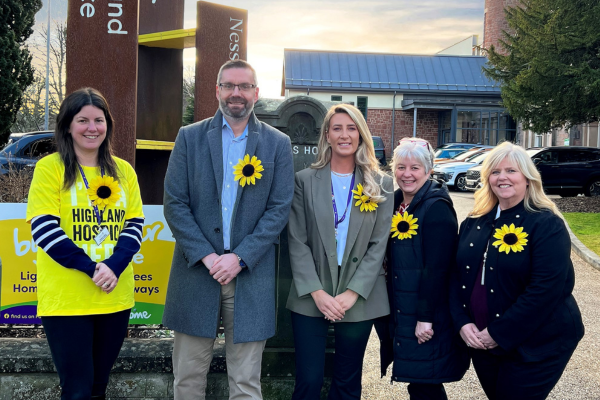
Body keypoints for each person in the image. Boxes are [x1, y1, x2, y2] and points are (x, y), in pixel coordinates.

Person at [162, 59, 294, 400]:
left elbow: (279, 209)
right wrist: (207, 256)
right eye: (229, 85)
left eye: (244, 86)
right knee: (188, 380)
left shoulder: (277, 144)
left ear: (256, 93)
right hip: (196, 273)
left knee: (246, 384)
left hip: (250, 276)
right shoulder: (189, 138)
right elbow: (175, 203)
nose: (237, 93)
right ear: (217, 90)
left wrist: (240, 257)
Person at [26, 88, 144, 400]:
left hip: (114, 297)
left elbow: (134, 226)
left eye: (99, 120)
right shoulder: (50, 168)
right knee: (76, 390)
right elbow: (44, 229)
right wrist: (93, 269)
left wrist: (114, 267)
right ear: (67, 125)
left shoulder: (124, 172)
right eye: (82, 120)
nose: (92, 128)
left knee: (97, 389)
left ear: (108, 125)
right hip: (67, 300)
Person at [449, 142, 584, 400]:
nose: (503, 177)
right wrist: (462, 322)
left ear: (528, 177)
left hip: (538, 342)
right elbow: (455, 276)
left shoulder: (546, 224)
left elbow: (545, 290)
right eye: (495, 171)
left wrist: (498, 333)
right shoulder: (474, 221)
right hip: (481, 339)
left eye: (511, 170)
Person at [286, 103, 393, 399]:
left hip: (358, 297)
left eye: (351, 128)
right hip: (311, 294)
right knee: (308, 380)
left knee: (347, 382)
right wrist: (317, 293)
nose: (344, 135)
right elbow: (297, 241)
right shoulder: (304, 181)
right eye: (337, 128)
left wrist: (353, 293)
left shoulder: (381, 183)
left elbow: (378, 245)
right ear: (327, 136)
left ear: (361, 134)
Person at [381, 137, 469, 400]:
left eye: (415, 168)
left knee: (426, 383)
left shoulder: (436, 208)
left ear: (428, 171)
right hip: (403, 307)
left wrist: (425, 318)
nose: (407, 174)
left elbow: (438, 269)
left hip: (423, 313)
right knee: (418, 382)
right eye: (400, 167)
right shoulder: (395, 204)